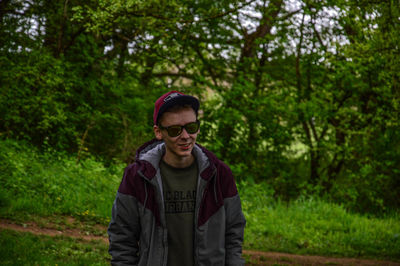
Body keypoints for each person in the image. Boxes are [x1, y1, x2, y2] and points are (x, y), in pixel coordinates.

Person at [108, 91, 246, 266]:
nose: (186, 136)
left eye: (191, 127)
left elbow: (234, 231)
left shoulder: (219, 174)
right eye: (175, 130)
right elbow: (122, 236)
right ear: (158, 132)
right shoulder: (137, 176)